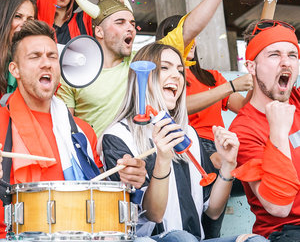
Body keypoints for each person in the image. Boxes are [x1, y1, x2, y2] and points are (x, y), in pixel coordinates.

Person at [0, 20, 128, 241]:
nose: (46, 63)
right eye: (35, 57)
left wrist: (127, 181)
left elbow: (98, 205)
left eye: (52, 56)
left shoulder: (82, 132)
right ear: (14, 69)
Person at [57, 0, 247, 136]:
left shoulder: (143, 62)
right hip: (97, 166)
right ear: (99, 32)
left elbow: (188, 29)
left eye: (132, 23)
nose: (130, 28)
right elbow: (66, 130)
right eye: (120, 22)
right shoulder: (74, 74)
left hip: (139, 164)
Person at [100, 43, 265, 242]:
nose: (177, 75)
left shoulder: (189, 134)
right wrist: (163, 160)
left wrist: (228, 165)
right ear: (142, 78)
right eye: (165, 67)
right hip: (151, 239)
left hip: (194, 239)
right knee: (181, 238)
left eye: (180, 70)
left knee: (255, 241)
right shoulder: (118, 136)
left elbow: (212, 210)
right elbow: (154, 215)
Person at [230, 20, 300, 240]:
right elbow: (279, 207)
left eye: (292, 54)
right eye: (274, 55)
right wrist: (278, 134)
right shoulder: (244, 129)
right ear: (251, 67)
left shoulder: (297, 99)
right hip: (288, 231)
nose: (285, 63)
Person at [156, 14, 253, 169]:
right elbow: (177, 106)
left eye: (195, 36)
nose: (193, 42)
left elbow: (243, 107)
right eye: (187, 35)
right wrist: (230, 86)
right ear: (168, 40)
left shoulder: (212, 77)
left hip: (221, 142)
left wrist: (256, 75)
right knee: (222, 163)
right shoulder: (164, 77)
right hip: (189, 143)